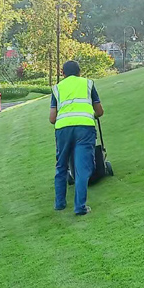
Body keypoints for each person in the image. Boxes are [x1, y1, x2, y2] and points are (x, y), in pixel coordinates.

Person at [50, 60, 104, 216]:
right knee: (82, 169)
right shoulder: (88, 84)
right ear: (80, 72)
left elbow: (52, 118)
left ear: (62, 73)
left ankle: (59, 203)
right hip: (84, 128)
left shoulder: (57, 88)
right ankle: (80, 207)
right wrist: (91, 114)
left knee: (61, 166)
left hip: (63, 130)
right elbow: (99, 111)